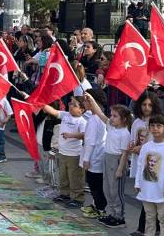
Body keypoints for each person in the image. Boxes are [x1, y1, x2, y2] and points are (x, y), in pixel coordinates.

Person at [84, 95, 132, 228]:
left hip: (116, 161)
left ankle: (119, 217)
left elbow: (124, 153)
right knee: (108, 189)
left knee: (116, 190)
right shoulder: (111, 127)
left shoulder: (125, 133)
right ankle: (112, 213)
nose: (111, 118)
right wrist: (91, 99)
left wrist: (120, 169)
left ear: (124, 119)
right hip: (107, 158)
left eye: (115, 116)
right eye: (111, 115)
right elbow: (100, 113)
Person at [40, 96, 88, 208]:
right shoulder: (66, 115)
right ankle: (64, 194)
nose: (71, 106)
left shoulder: (82, 121)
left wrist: (71, 135)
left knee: (75, 177)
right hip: (62, 153)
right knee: (63, 176)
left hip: (74, 155)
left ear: (82, 110)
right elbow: (54, 111)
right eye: (71, 103)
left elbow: (84, 135)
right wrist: (42, 104)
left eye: (75, 105)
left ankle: (78, 198)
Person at [80, 89, 108, 219]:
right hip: (97, 155)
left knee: (94, 184)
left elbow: (90, 141)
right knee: (96, 183)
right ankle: (96, 205)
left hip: (94, 157)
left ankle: (100, 208)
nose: (83, 103)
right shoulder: (96, 117)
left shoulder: (94, 119)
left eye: (86, 100)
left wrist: (86, 159)